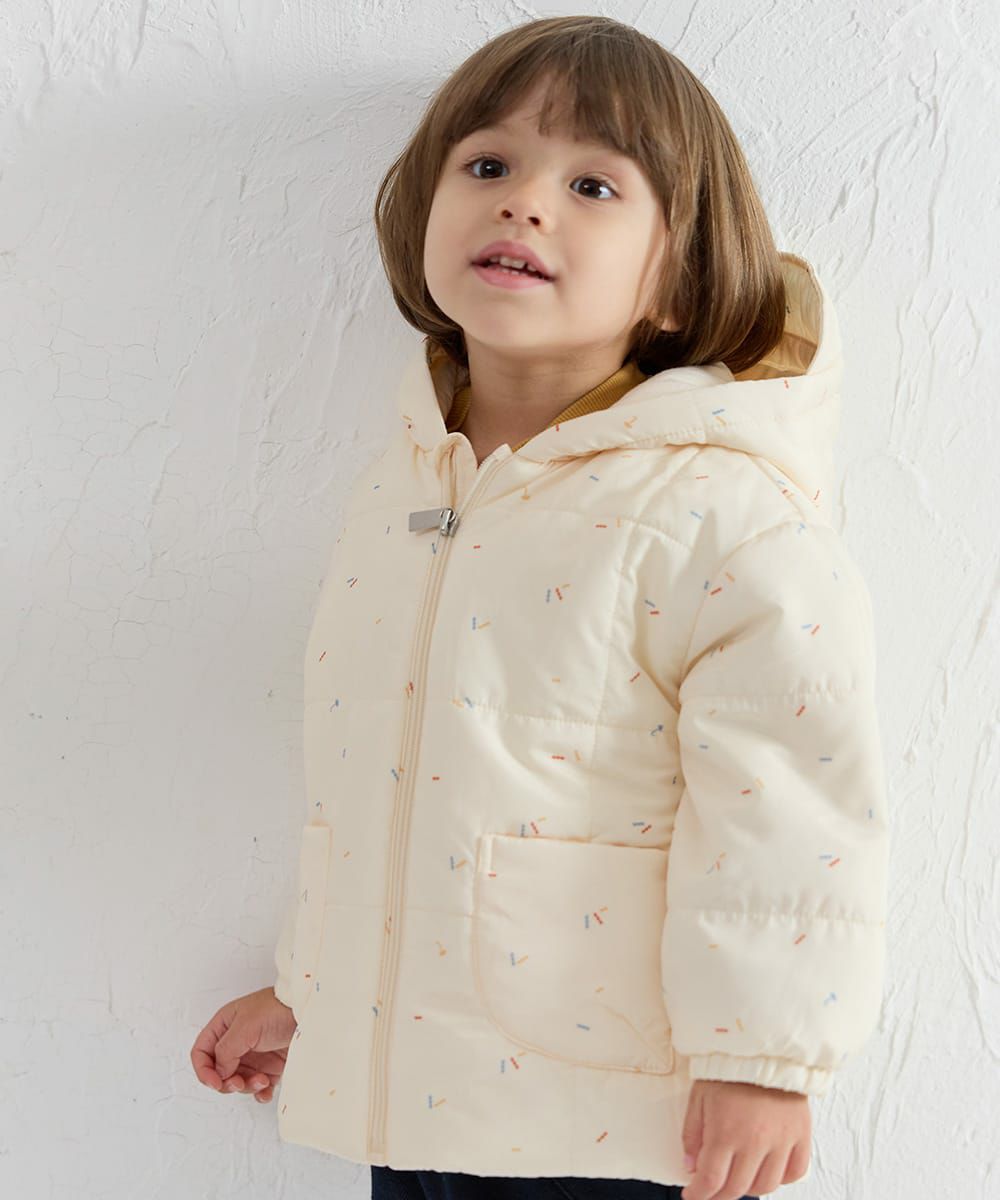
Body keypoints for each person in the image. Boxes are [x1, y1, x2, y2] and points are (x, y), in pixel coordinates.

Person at [190, 15, 889, 1200]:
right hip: (420, 1106)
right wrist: (316, 991)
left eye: (592, 185)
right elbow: (372, 790)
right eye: (487, 164)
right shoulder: (405, 491)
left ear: (676, 274)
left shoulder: (721, 511)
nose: (523, 202)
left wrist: (762, 1060)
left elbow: (790, 801)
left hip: (602, 1122)